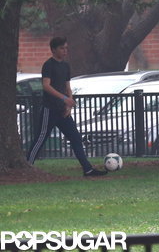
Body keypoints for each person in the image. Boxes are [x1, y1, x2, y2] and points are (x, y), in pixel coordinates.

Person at [26, 37, 107, 177]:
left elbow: (67, 86)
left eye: (66, 48)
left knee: (75, 138)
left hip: (63, 111)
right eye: (62, 48)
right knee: (40, 139)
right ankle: (27, 166)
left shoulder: (65, 66)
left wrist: (69, 103)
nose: (65, 51)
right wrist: (63, 98)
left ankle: (87, 169)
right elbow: (46, 85)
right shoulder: (48, 65)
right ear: (53, 50)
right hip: (49, 109)